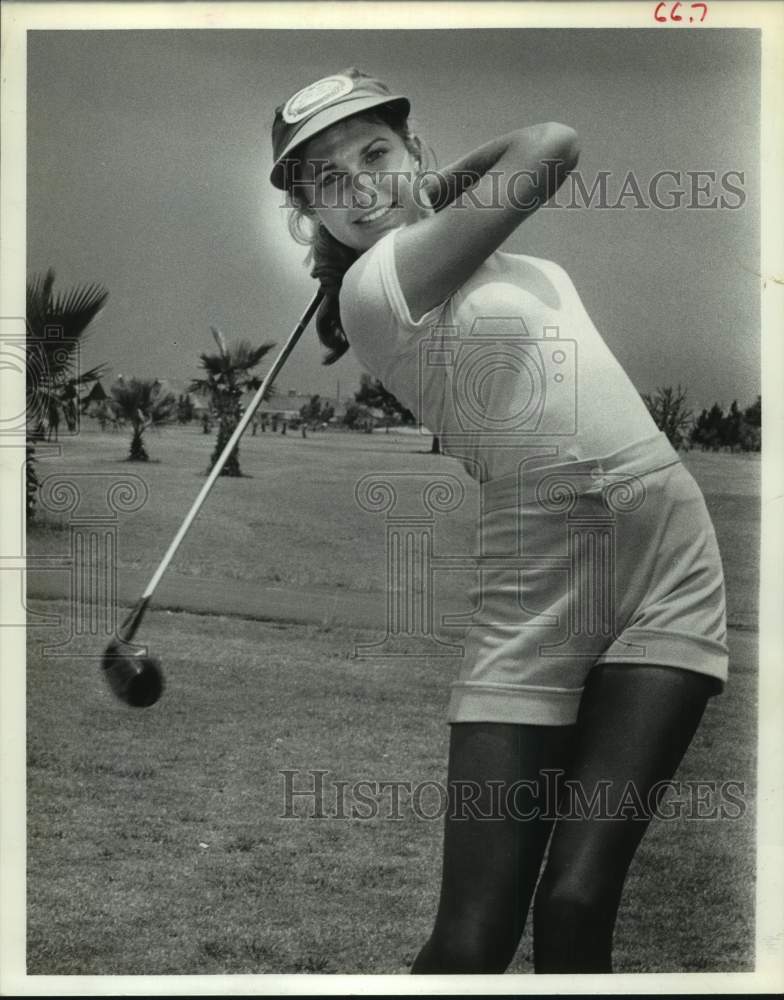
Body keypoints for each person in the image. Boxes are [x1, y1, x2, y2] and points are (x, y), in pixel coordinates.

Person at [268, 67, 729, 974]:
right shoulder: (376, 286)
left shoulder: (471, 256)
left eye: (376, 153)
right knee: (472, 939)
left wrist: (425, 191)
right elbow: (552, 142)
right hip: (539, 578)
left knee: (578, 903)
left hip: (669, 554)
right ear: (311, 213)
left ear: (414, 149)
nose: (360, 182)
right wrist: (431, 186)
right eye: (328, 179)